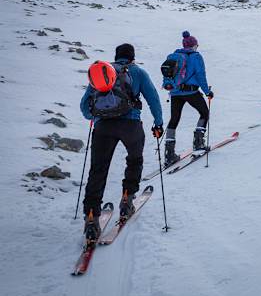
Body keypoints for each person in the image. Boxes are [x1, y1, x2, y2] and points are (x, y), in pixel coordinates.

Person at [79, 43, 164, 242]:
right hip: (130, 125)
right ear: (132, 57)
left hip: (103, 128)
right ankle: (127, 199)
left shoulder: (103, 72)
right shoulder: (138, 72)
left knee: (98, 170)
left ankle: (91, 217)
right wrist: (158, 123)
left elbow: (84, 106)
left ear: (116, 56)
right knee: (135, 160)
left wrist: (96, 117)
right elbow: (153, 98)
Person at [163, 31, 213, 166]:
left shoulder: (174, 56)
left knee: (174, 119)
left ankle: (169, 154)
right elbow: (201, 75)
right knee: (204, 113)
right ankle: (198, 143)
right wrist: (207, 92)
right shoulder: (196, 57)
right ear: (194, 45)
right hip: (191, 92)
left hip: (175, 92)